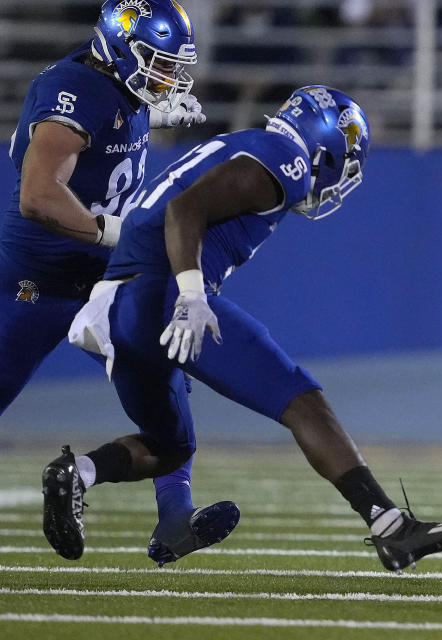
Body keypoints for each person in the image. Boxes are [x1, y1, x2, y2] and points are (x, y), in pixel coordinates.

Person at [43, 85, 442, 573]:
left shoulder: (248, 144)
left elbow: (157, 216)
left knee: (171, 447)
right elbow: (183, 211)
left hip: (116, 307)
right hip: (160, 295)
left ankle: (78, 473)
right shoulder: (286, 160)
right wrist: (190, 294)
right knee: (298, 397)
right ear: (326, 147)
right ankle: (390, 527)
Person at [0, 0, 239, 566]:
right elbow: (38, 195)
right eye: (157, 63)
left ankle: (175, 518)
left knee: (170, 387)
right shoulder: (75, 89)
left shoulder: (122, 92)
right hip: (40, 280)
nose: (169, 77)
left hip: (105, 277)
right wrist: (109, 231)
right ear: (118, 48)